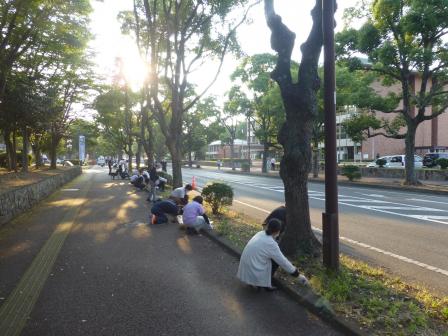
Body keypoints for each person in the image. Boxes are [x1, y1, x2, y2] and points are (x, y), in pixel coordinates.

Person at [237, 219, 308, 291]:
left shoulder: (260, 233)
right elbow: (283, 262)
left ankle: (254, 282)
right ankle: (264, 284)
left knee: (268, 258)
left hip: (244, 268)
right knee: (275, 262)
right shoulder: (271, 244)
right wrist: (297, 275)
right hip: (253, 271)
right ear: (277, 231)